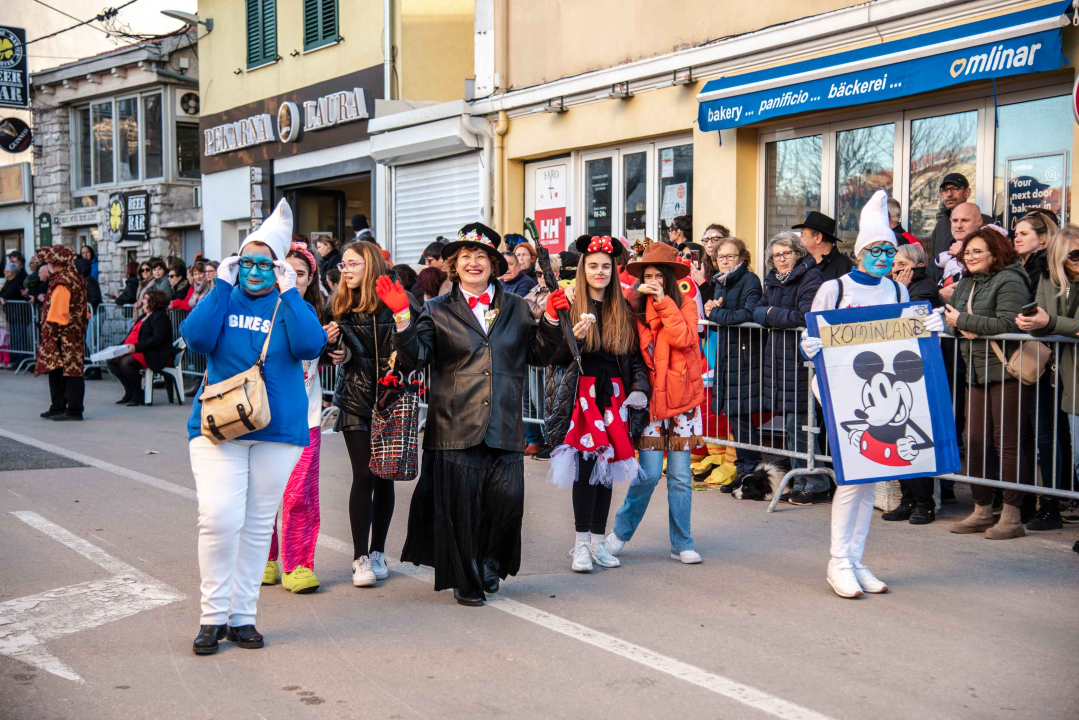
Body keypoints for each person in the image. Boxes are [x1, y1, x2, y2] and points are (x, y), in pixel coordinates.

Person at [388, 222, 562, 606]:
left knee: (506, 501)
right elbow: (416, 358)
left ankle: (489, 561)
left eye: (481, 255)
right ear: (454, 265)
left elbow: (540, 355)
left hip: (504, 422)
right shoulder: (436, 309)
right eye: (465, 256)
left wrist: (551, 321)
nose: (473, 262)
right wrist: (402, 318)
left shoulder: (517, 307)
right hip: (453, 425)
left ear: (494, 264)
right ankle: (464, 579)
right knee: (460, 508)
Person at [183, 199, 327, 655]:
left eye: (266, 264)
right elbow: (196, 338)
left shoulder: (290, 303)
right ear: (236, 263)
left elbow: (310, 345)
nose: (255, 271)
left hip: (278, 431)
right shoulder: (224, 297)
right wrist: (221, 285)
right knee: (219, 517)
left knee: (258, 524)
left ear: (279, 268)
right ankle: (212, 616)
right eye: (248, 262)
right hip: (218, 427)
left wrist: (290, 292)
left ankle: (242, 616)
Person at [800, 190, 943, 598]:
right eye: (875, 250)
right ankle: (838, 561)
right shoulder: (834, 289)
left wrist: (929, 330)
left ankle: (855, 558)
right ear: (860, 252)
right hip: (843, 394)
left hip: (884, 395)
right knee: (852, 480)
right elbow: (813, 338)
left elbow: (904, 344)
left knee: (871, 477)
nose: (883, 257)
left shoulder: (897, 292)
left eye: (889, 250)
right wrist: (809, 347)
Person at [543, 236, 649, 572]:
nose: (600, 272)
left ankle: (598, 541)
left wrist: (639, 389)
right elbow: (552, 357)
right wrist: (572, 339)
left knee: (607, 471)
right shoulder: (569, 305)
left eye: (605, 266)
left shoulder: (623, 308)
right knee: (587, 469)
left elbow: (634, 358)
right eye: (593, 266)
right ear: (582, 269)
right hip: (582, 394)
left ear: (614, 270)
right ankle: (580, 544)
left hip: (613, 396)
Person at [605, 241, 706, 564]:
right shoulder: (632, 305)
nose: (652, 281)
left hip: (681, 401)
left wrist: (663, 303)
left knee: (680, 477)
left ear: (669, 278)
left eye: (658, 276)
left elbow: (685, 339)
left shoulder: (685, 303)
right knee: (648, 474)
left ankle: (682, 543)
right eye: (647, 276)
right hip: (649, 400)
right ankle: (619, 534)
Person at [331, 240, 416, 588]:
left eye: (352, 263)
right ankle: (360, 557)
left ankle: (378, 551)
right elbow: (326, 349)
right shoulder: (340, 303)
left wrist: (402, 313)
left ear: (371, 265)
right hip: (355, 397)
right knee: (364, 475)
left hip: (390, 399)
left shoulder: (397, 297)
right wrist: (333, 349)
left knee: (385, 476)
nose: (346, 270)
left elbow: (416, 347)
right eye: (343, 265)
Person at [943, 226, 1033, 540]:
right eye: (967, 252)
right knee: (976, 442)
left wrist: (965, 322)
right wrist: (960, 326)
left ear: (995, 252)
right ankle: (981, 510)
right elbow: (948, 318)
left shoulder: (1010, 279)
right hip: (976, 372)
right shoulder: (967, 281)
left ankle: (1012, 516)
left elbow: (1011, 323)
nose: (970, 256)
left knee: (1006, 444)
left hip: (1007, 372)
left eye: (977, 251)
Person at [264, 241, 334, 594]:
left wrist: (335, 347)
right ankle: (264, 558)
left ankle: (299, 564)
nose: (290, 280)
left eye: (299, 274)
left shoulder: (311, 314)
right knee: (261, 496)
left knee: (299, 495)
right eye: (284, 273)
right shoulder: (259, 310)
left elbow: (314, 350)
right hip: (260, 419)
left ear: (310, 280)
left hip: (305, 419)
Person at [754, 231, 828, 503]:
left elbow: (806, 316)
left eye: (786, 253)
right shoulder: (773, 280)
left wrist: (772, 314)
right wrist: (770, 314)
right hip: (779, 360)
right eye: (777, 255)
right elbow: (757, 311)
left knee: (801, 424)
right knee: (791, 424)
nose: (782, 259)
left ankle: (817, 484)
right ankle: (801, 480)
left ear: (798, 253)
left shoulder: (811, 277)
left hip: (801, 360)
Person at [1016, 222, 1077, 532]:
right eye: (1073, 255)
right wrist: (1030, 323)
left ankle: (1060, 502)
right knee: (1047, 437)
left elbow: (1059, 323)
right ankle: (1050, 505)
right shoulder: (1048, 279)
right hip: (1053, 370)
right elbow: (1042, 326)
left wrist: (1049, 322)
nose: (1077, 260)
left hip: (1072, 372)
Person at [704, 236, 763, 483]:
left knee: (741, 415)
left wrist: (715, 313)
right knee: (735, 415)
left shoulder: (750, 279)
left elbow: (750, 313)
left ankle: (751, 472)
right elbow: (719, 313)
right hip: (728, 354)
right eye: (721, 257)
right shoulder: (721, 281)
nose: (725, 261)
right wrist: (712, 309)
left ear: (742, 258)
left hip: (745, 355)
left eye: (730, 256)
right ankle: (742, 470)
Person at [35, 246, 90, 421]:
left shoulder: (62, 281)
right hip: (75, 332)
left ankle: (72, 410)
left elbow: (59, 312)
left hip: (63, 333)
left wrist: (53, 335)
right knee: (66, 371)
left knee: (66, 372)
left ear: (54, 263)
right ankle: (59, 406)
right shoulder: (77, 278)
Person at [106, 290, 174, 406]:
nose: (143, 301)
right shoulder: (143, 316)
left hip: (155, 353)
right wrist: (118, 348)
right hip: (140, 350)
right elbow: (132, 334)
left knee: (125, 362)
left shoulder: (160, 317)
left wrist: (136, 347)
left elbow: (157, 339)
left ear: (154, 301)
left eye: (145, 298)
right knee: (111, 360)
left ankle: (138, 394)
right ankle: (129, 391)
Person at [793, 211, 852, 281]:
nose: (799, 238)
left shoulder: (845, 268)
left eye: (802, 234)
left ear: (818, 238)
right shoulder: (800, 262)